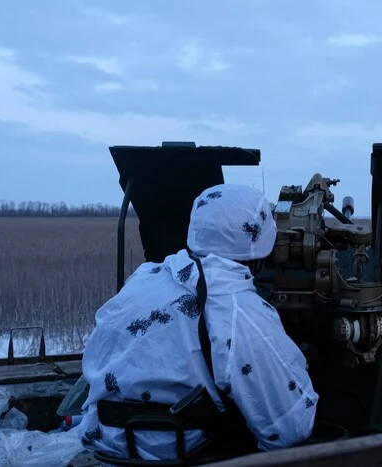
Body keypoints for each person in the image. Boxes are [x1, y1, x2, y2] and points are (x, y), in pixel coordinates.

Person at [77, 183, 318, 462]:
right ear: (262, 239)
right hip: (178, 450)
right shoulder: (238, 310)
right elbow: (290, 428)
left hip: (109, 443)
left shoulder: (143, 279)